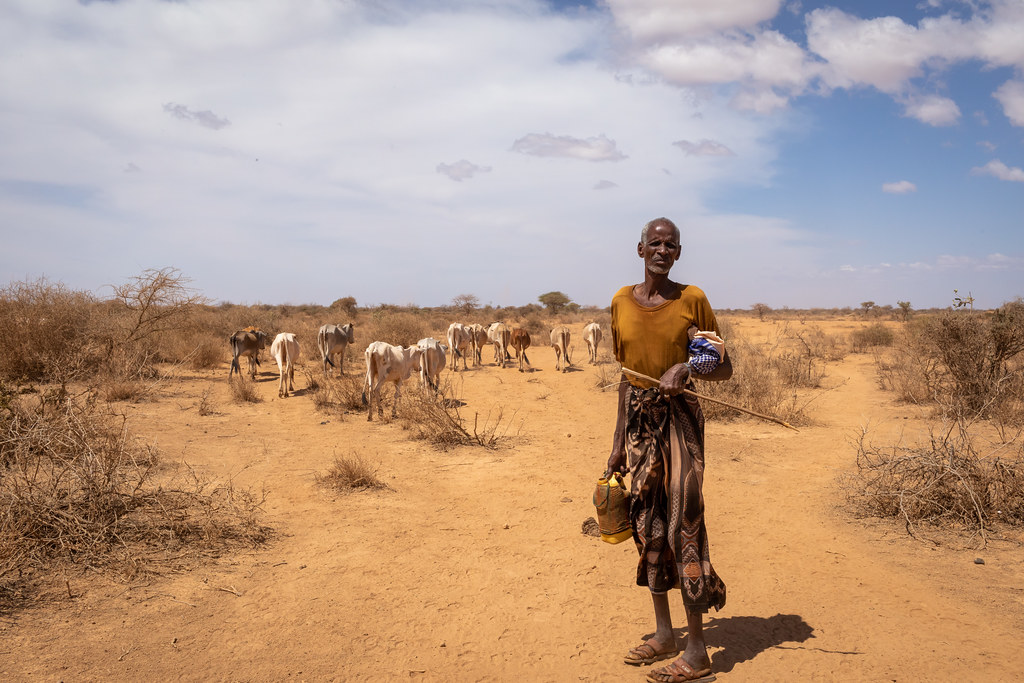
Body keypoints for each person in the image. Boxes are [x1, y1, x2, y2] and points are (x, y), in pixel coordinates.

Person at [606, 217, 733, 683]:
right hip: (638, 424)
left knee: (685, 519)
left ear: (678, 253)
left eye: (671, 244)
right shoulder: (621, 301)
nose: (662, 249)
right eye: (654, 243)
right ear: (639, 249)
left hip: (680, 421)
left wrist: (685, 365)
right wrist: (617, 442)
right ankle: (664, 634)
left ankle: (697, 650)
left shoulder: (692, 299)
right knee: (647, 523)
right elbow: (626, 377)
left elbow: (722, 367)